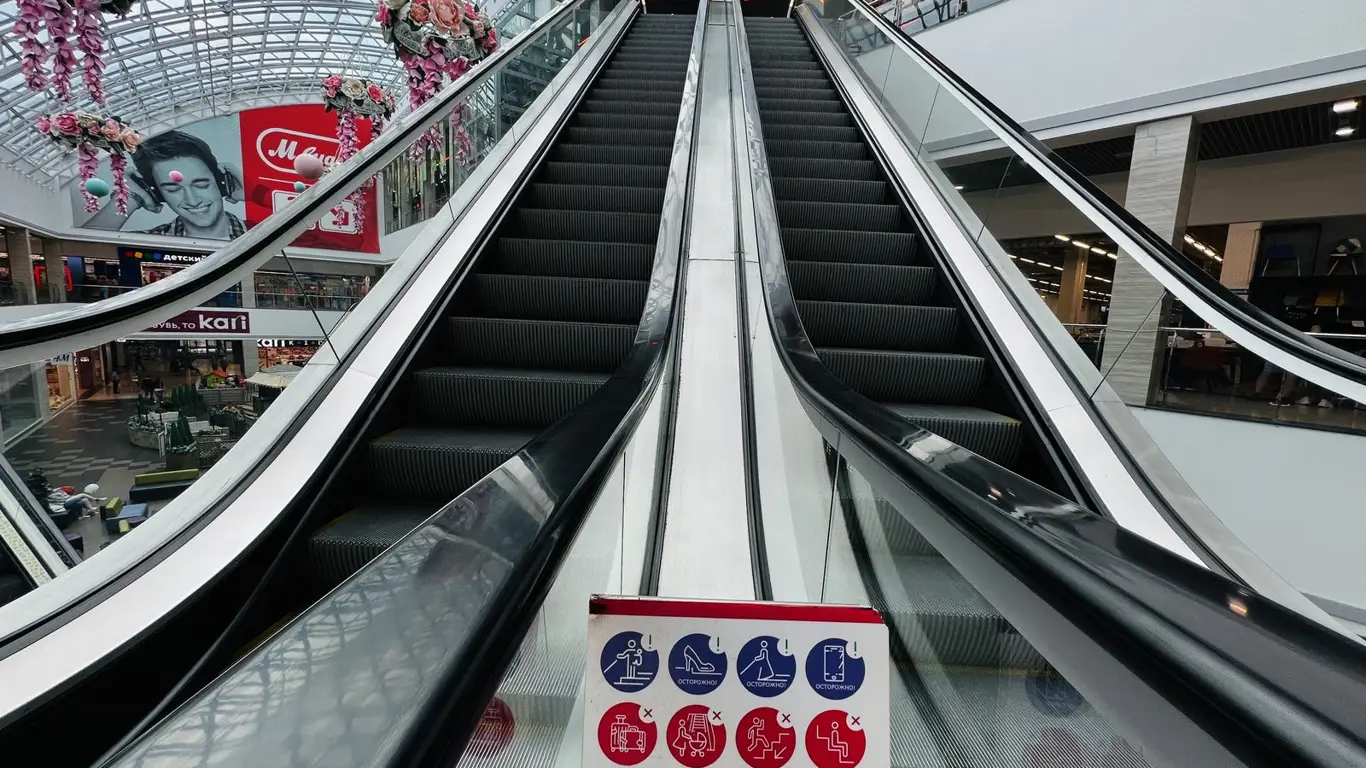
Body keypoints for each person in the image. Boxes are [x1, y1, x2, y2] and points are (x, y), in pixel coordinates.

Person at [84, 131, 246, 240]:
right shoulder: (147, 242)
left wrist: (254, 193)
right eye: (173, 189)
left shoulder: (258, 233)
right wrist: (127, 199)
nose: (193, 200)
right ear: (155, 193)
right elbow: (82, 248)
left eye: (201, 185)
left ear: (222, 182)